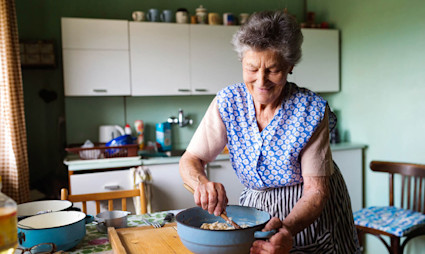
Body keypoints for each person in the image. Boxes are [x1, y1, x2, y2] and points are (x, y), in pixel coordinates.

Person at [179, 10, 359, 253]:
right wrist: (201, 183)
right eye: (252, 68)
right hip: (255, 209)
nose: (261, 81)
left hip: (308, 211)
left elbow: (316, 191)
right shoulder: (228, 102)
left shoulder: (310, 110)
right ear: (242, 61)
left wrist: (287, 229)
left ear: (290, 66)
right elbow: (191, 159)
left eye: (273, 70)